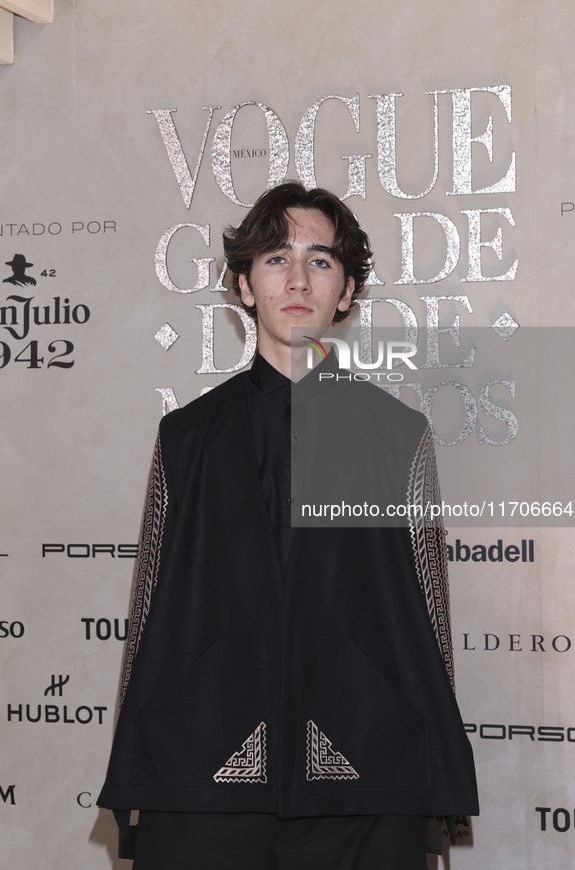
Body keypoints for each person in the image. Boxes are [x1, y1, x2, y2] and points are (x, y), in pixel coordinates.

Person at [98, 181, 478, 869]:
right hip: (202, 771)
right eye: (275, 258)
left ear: (347, 291)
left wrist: (435, 767)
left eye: (320, 261)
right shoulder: (186, 436)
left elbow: (428, 610)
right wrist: (134, 761)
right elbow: (150, 602)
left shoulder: (396, 434)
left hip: (366, 771)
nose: (297, 277)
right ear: (243, 285)